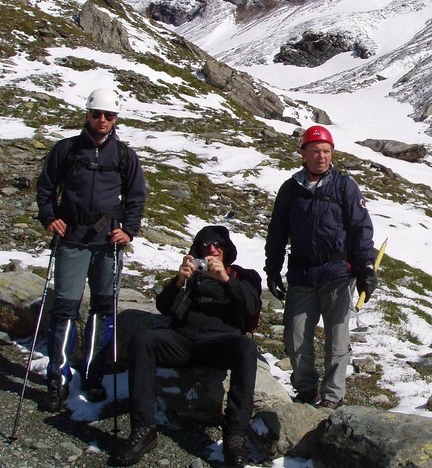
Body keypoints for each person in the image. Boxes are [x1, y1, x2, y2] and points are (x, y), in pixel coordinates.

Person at [110, 225, 262, 467]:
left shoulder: (243, 276)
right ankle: (143, 428)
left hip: (219, 342)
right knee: (143, 340)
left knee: (245, 347)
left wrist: (224, 278)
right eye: (205, 245)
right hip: (181, 340)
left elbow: (250, 308)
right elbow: (164, 307)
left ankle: (234, 435)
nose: (212, 250)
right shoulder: (193, 276)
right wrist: (180, 280)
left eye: (218, 245)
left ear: (227, 250)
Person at [35, 87, 146, 411]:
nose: (102, 120)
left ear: (115, 119)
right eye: (97, 114)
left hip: (107, 242)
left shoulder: (124, 156)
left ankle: (93, 375)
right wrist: (48, 217)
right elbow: (45, 187)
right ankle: (57, 381)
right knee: (66, 309)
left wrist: (129, 230)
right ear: (87, 114)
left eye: (108, 116)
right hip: (71, 238)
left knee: (102, 308)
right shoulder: (66, 150)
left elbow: (136, 197)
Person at [265, 124, 378, 409]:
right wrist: (272, 268)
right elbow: (277, 233)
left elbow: (361, 228)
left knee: (337, 340)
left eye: (326, 151)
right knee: (296, 336)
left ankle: (331, 396)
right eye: (315, 151)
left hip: (338, 274)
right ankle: (305, 390)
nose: (321, 157)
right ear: (303, 153)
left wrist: (365, 268)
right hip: (302, 274)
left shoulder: (344, 186)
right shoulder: (290, 189)